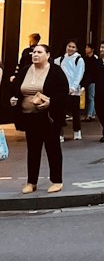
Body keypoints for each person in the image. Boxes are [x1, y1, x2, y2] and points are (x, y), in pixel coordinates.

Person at [8, 42, 68, 193]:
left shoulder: (55, 71)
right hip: (30, 117)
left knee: (52, 148)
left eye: (39, 52)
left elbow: (63, 91)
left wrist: (50, 102)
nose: (35, 55)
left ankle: (56, 180)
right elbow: (16, 88)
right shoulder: (26, 70)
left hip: (49, 118)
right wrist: (15, 98)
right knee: (33, 150)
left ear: (47, 55)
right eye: (34, 52)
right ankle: (31, 182)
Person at [54, 40, 85, 140]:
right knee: (60, 113)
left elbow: (79, 74)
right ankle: (60, 134)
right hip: (62, 90)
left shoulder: (79, 60)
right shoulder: (59, 60)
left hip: (74, 91)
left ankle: (77, 131)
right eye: (69, 46)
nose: (70, 48)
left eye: (73, 47)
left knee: (75, 112)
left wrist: (73, 87)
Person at [81, 43, 98, 120]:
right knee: (89, 97)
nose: (86, 49)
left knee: (90, 97)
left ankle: (90, 114)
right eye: (86, 47)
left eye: (88, 48)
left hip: (92, 81)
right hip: (86, 80)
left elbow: (92, 72)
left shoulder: (95, 59)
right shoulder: (84, 59)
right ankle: (93, 113)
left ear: (92, 49)